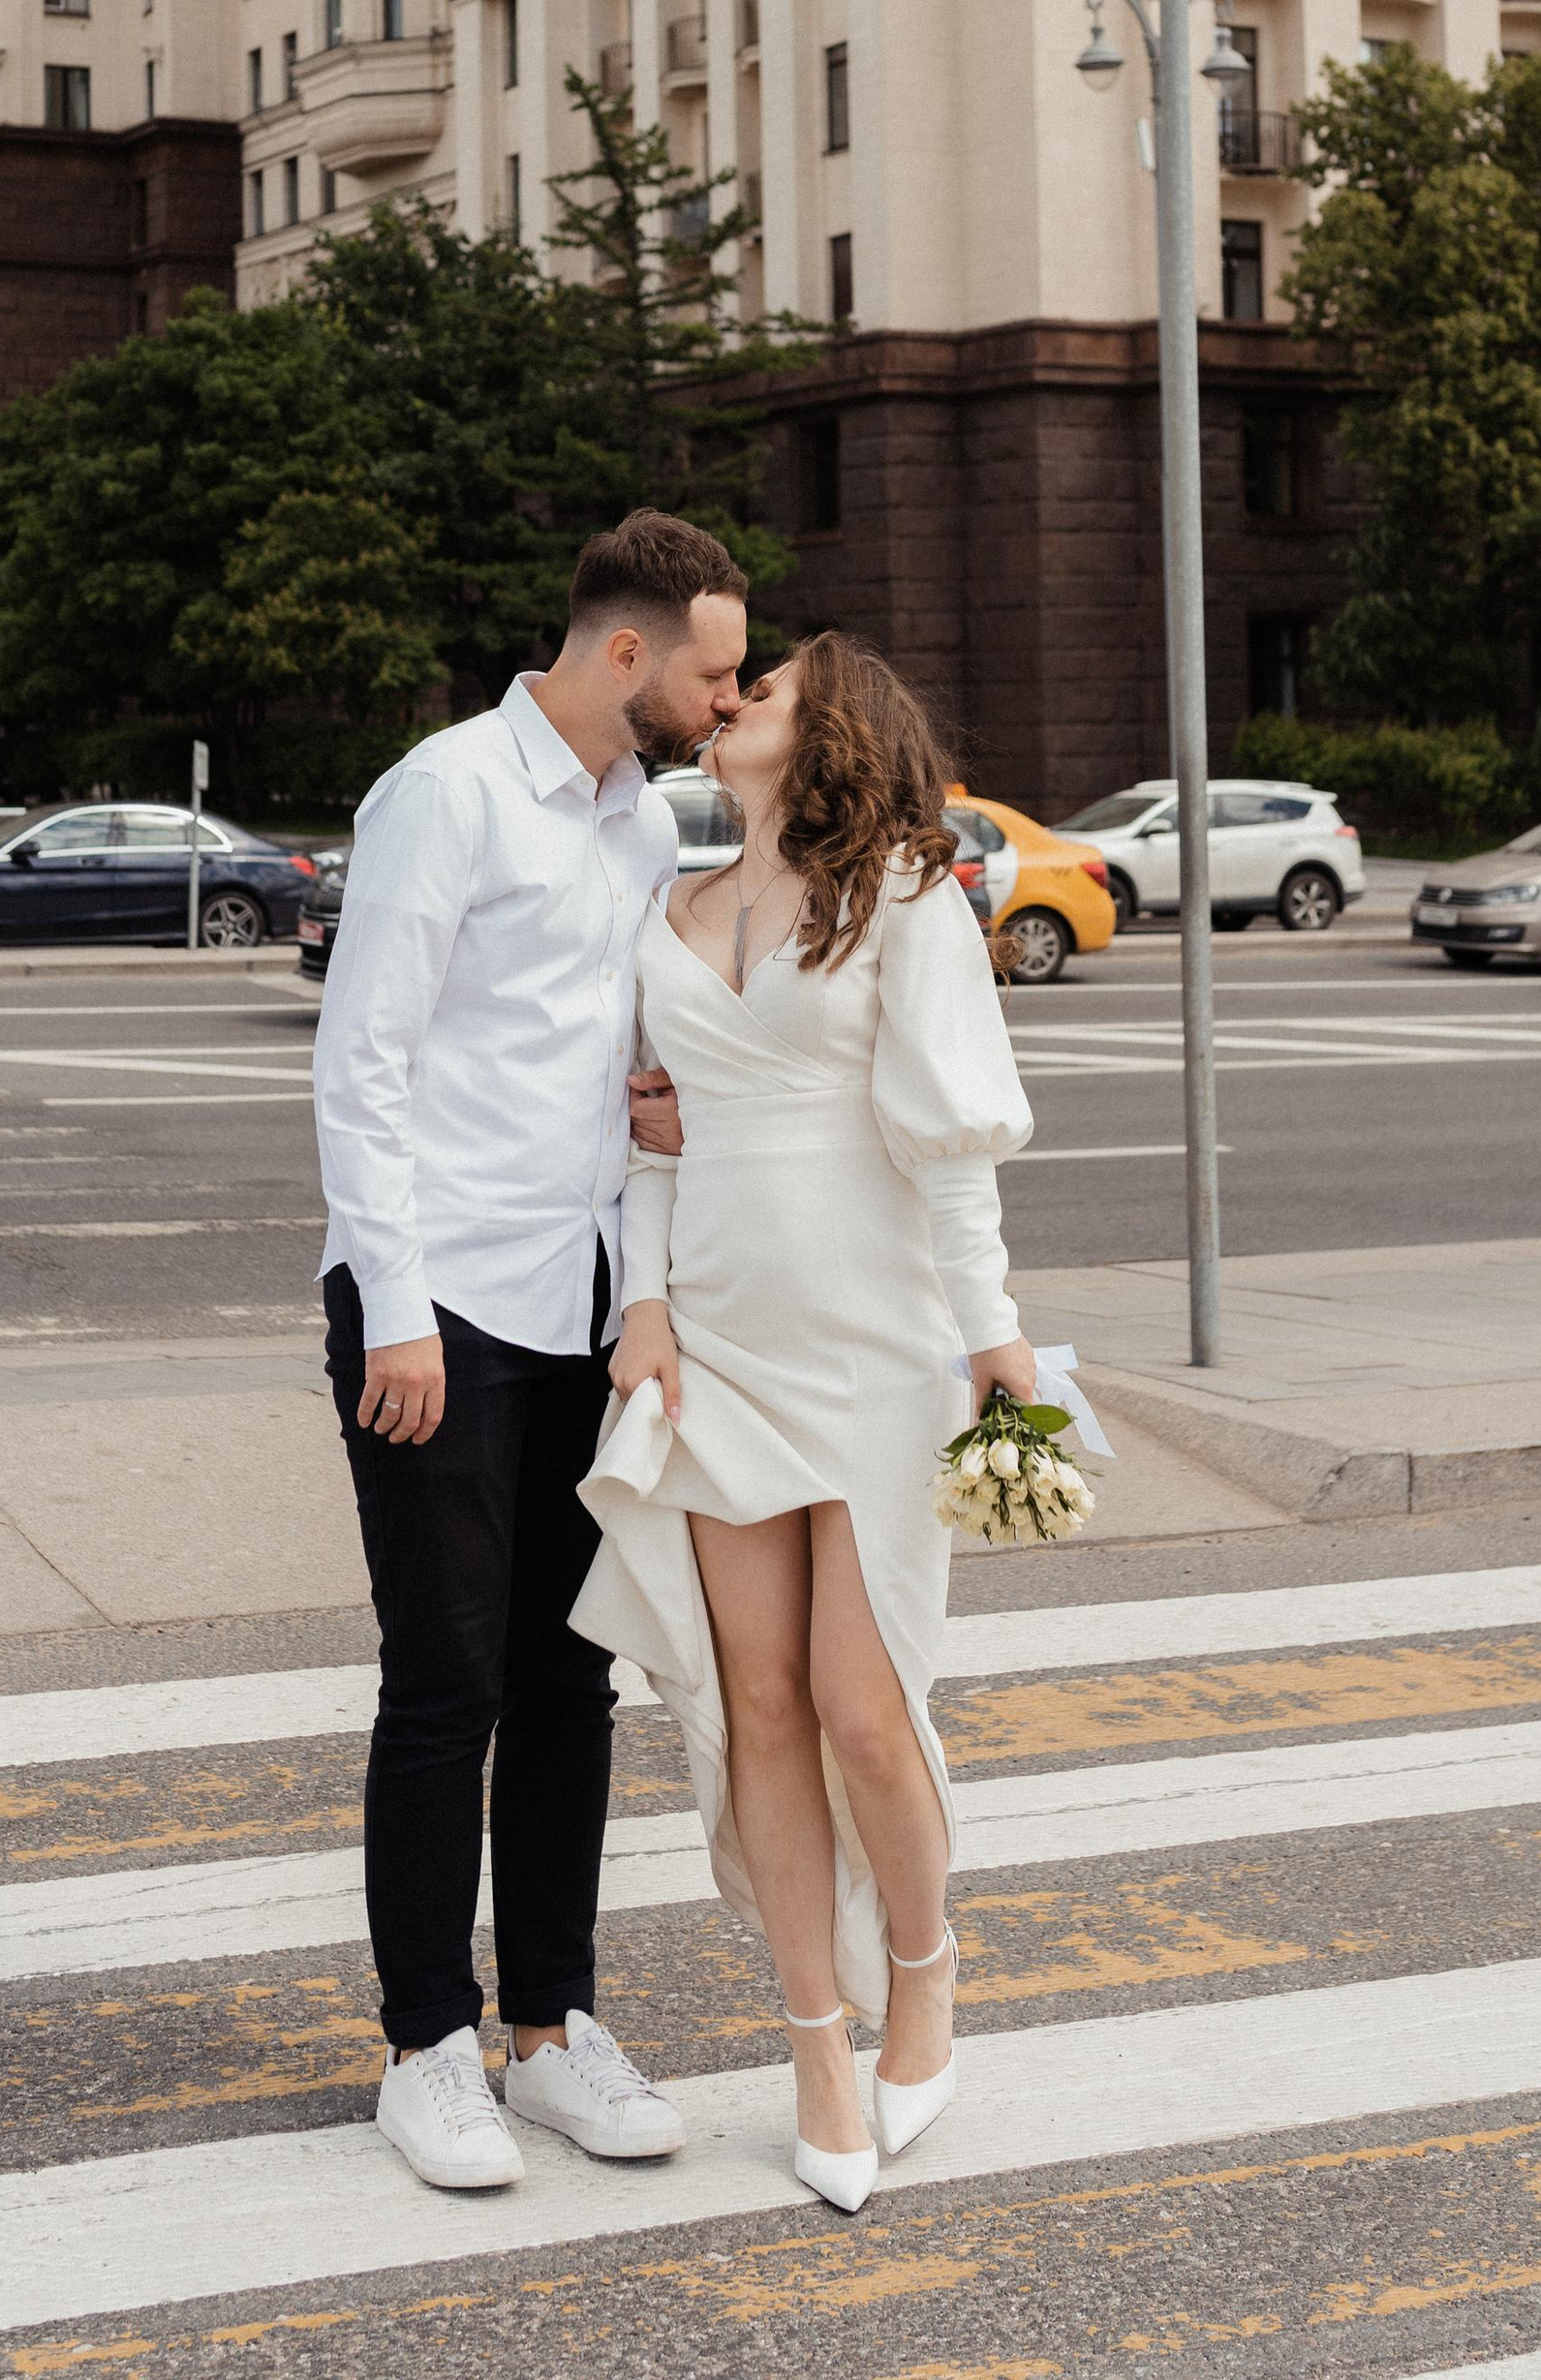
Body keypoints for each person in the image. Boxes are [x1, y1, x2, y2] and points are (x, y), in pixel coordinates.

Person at [312, 507, 751, 2194]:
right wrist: (397, 1309)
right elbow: (365, 1062)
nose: (727, 704)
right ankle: (427, 2049)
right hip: (440, 1307)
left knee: (572, 1678)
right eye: (711, 675)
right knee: (445, 1685)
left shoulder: (643, 819)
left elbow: (616, 1061)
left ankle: (552, 2033)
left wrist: (650, 1233)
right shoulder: (446, 793)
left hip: (581, 1304)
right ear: (625, 651)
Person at [573, 633, 1037, 2212]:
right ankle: (815, 2048)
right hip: (721, 1347)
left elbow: (952, 1142)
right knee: (753, 1711)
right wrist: (644, 1312)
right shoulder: (673, 906)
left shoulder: (903, 893)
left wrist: (994, 1332)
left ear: (829, 726)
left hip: (883, 1347)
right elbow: (656, 1142)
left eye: (761, 690)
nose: (730, 703)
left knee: (864, 1708)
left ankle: (924, 1968)